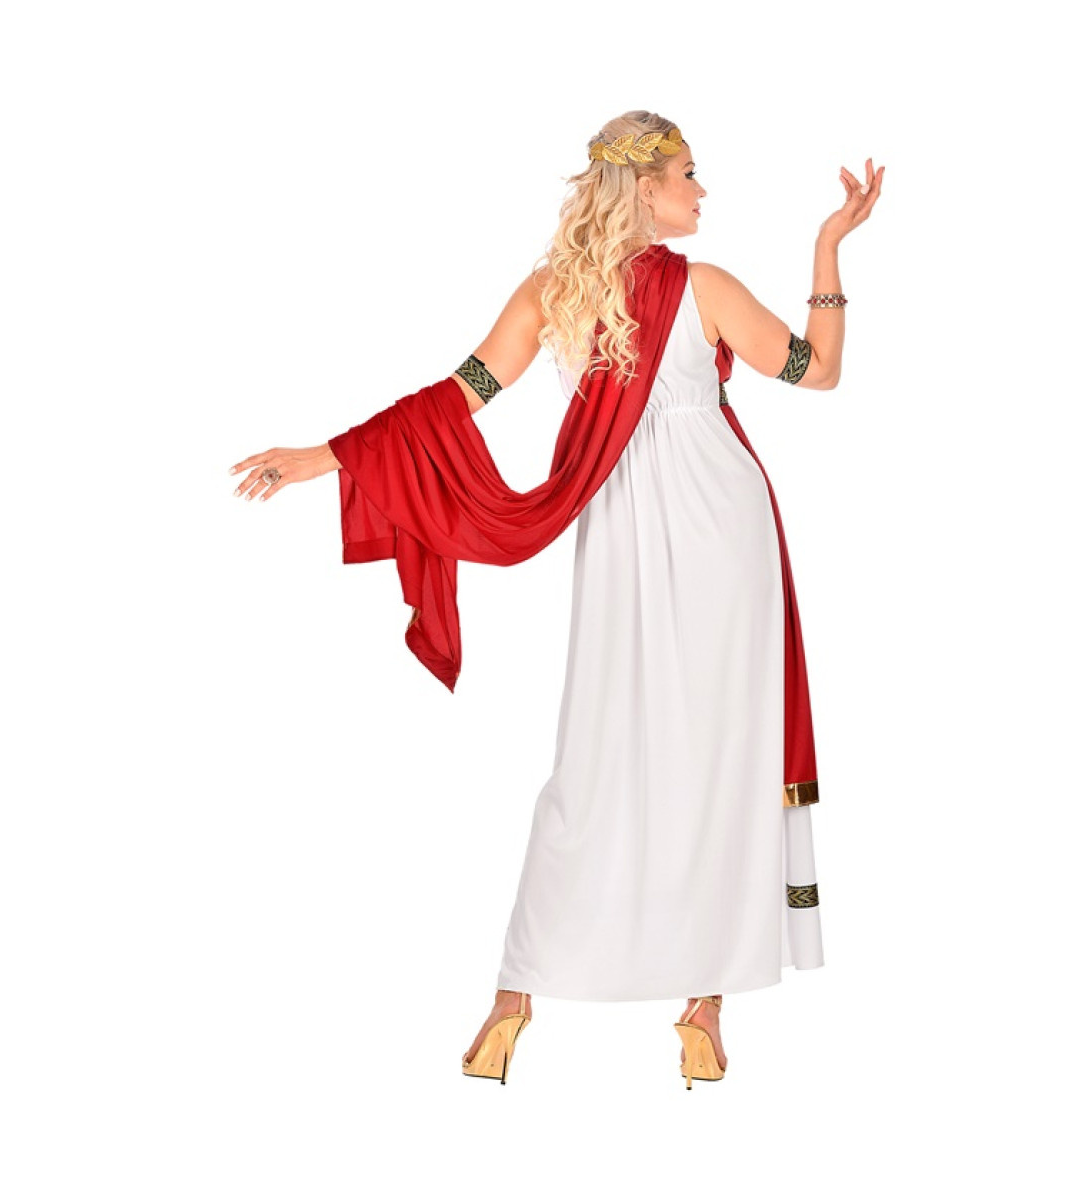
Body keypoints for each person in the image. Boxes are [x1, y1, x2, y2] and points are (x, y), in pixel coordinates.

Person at [230, 111, 884, 1087]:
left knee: (597, 756)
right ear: (645, 188)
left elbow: (456, 397)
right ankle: (702, 1006)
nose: (702, 191)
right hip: (722, 533)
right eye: (688, 174)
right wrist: (829, 248)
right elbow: (818, 371)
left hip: (621, 530)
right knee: (717, 754)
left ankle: (514, 1001)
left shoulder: (555, 293)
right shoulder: (703, 287)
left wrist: (326, 456)